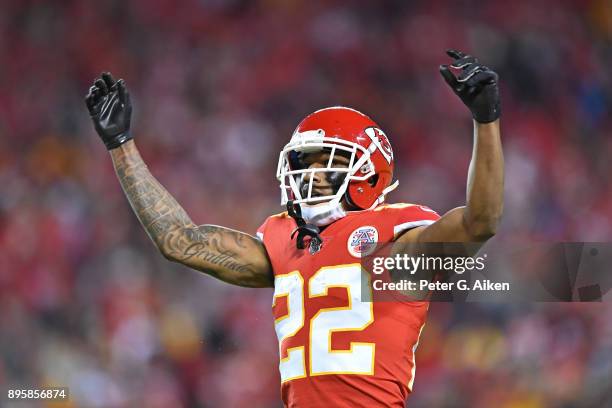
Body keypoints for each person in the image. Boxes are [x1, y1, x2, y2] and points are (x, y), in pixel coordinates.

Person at [85, 49, 503, 407]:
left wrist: (486, 121)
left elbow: (480, 221)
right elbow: (181, 242)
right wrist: (121, 145)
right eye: (304, 165)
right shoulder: (284, 240)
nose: (311, 177)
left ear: (369, 174)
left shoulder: (395, 240)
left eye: (327, 164)